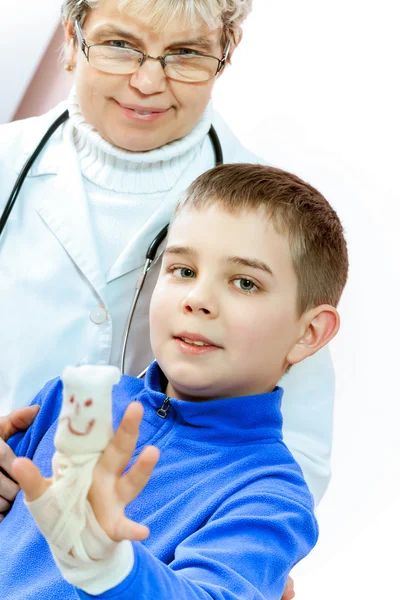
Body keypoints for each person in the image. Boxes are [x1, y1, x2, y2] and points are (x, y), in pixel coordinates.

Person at [0, 0, 333, 552]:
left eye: (186, 54)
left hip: (154, 550)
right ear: (71, 33)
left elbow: (294, 444)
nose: (148, 80)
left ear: (225, 56)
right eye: (119, 44)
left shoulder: (269, 216)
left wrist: (240, 555)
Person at [2, 164, 349, 600]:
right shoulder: (70, 403)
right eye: (183, 270)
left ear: (308, 333)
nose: (198, 299)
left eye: (245, 282)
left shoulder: (270, 495)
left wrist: (110, 568)